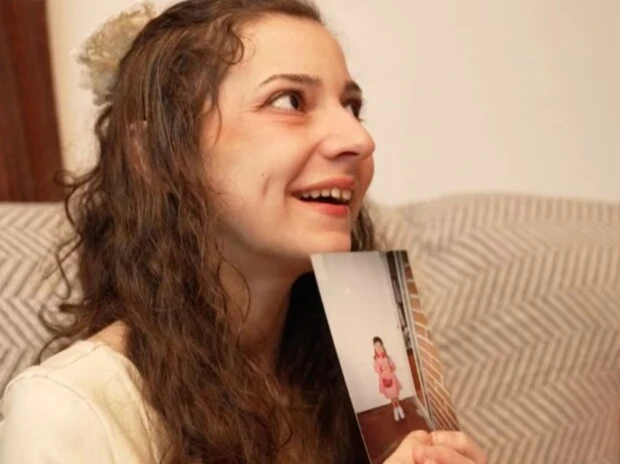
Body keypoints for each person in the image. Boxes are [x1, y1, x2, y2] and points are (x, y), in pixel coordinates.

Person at [0, 1, 487, 463]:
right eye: (289, 101)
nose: (359, 140)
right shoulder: (69, 410)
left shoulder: (348, 383)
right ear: (151, 154)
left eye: (352, 107)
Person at [373, 336, 406, 422]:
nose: (378, 347)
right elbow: (376, 369)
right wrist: (381, 369)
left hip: (392, 377)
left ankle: (399, 407)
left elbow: (393, 366)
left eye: (379, 345)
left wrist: (390, 367)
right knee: (391, 396)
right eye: (376, 346)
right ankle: (395, 409)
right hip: (384, 379)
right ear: (374, 347)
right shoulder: (375, 359)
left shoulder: (387, 357)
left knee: (395, 394)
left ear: (382, 345)